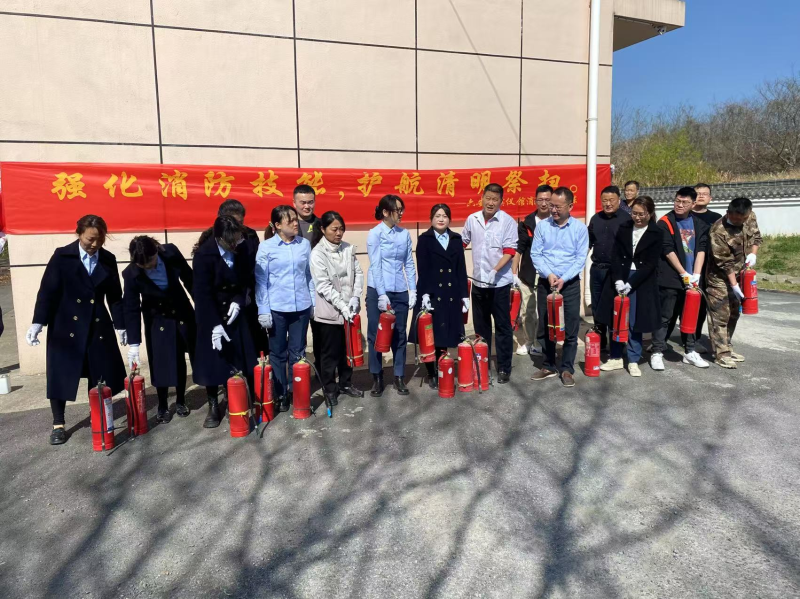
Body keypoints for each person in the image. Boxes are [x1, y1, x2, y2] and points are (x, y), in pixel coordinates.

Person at [26, 215, 127, 445]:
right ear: (79, 233)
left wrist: (121, 325)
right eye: (90, 239)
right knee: (60, 373)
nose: (95, 244)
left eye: (100, 239)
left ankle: (98, 415)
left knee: (98, 371)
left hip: (97, 323)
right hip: (66, 324)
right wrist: (38, 322)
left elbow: (115, 297)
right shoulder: (63, 256)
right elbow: (47, 291)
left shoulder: (108, 259)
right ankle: (58, 424)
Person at [192, 216, 257, 428]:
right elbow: (201, 293)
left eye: (237, 239)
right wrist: (214, 324)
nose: (235, 244)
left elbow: (246, 278)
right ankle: (213, 404)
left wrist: (239, 301)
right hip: (211, 312)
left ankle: (233, 397)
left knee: (237, 357)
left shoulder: (242, 247)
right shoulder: (204, 255)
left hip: (234, 311)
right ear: (220, 238)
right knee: (213, 359)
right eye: (231, 242)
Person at [122, 236, 196, 422]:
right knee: (160, 361)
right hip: (157, 319)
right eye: (143, 265)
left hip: (180, 312)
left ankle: (180, 400)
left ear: (156, 250)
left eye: (151, 261)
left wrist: (203, 307)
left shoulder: (170, 252)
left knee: (179, 358)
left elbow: (189, 279)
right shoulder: (131, 273)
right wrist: (133, 343)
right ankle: (162, 404)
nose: (149, 267)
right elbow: (131, 307)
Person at [255, 205, 315, 412]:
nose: (296, 223)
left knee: (298, 352)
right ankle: (281, 393)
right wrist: (263, 309)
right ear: (278, 225)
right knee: (278, 353)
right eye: (290, 221)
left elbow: (309, 275)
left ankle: (297, 390)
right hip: (277, 308)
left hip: (301, 307)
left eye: (296, 219)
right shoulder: (266, 247)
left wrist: (313, 302)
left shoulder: (304, 245)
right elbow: (261, 280)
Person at [596, 196, 662, 376]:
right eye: (634, 213)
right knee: (616, 318)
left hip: (640, 281)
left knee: (634, 322)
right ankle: (616, 356)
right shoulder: (624, 227)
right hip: (620, 277)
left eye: (642, 214)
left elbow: (650, 264)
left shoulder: (656, 232)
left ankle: (633, 359)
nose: (637, 217)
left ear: (650, 213)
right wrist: (618, 279)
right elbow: (616, 255)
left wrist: (631, 283)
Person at [530, 187, 589, 387]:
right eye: (551, 205)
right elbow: (536, 254)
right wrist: (549, 274)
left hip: (569, 284)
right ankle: (548, 365)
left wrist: (564, 278)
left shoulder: (580, 229)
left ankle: (567, 369)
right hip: (546, 283)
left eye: (558, 206)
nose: (553, 210)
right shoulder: (542, 226)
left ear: (570, 206)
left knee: (571, 327)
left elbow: (580, 258)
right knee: (546, 325)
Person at [462, 183, 518, 384]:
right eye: (488, 198)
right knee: (481, 327)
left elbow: (509, 251)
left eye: (495, 199)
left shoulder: (507, 222)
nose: (491, 203)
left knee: (502, 327)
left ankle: (504, 368)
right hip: (478, 284)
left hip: (499, 284)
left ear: (501, 201)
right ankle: (481, 365)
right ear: (482, 198)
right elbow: (462, 243)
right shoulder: (473, 219)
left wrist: (494, 271)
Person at [410, 204, 469, 389]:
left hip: (451, 293)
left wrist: (464, 295)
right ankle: (431, 372)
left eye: (444, 216)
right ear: (431, 219)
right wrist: (425, 294)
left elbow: (461, 268)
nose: (441, 219)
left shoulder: (456, 239)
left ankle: (443, 367)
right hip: (432, 293)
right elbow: (423, 269)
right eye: (437, 216)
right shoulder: (424, 239)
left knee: (446, 334)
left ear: (449, 219)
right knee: (431, 335)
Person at [651, 187, 710, 371]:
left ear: (693, 204)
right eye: (677, 200)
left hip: (693, 280)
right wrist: (684, 274)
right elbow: (667, 250)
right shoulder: (665, 222)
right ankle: (657, 351)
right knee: (665, 316)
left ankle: (690, 351)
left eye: (685, 202)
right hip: (671, 278)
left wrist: (696, 275)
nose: (680, 205)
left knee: (690, 316)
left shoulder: (700, 224)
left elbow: (701, 249)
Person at [309, 211, 365, 405]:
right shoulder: (317, 253)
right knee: (329, 353)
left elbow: (358, 273)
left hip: (349, 308)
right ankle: (329, 388)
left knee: (347, 349)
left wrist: (355, 297)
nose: (339, 233)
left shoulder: (348, 248)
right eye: (334, 229)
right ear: (323, 229)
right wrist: (342, 306)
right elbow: (323, 286)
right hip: (330, 312)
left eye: (341, 229)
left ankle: (346, 383)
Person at [366, 194, 417, 397]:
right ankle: (377, 377)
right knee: (376, 334)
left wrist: (412, 289)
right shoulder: (375, 234)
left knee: (400, 334)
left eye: (402, 209)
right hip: (378, 290)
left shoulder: (404, 234)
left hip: (399, 289)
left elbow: (408, 263)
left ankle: (398, 376)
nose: (401, 213)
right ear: (386, 212)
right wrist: (381, 294)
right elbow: (375, 265)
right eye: (398, 210)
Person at [705, 197, 762, 369]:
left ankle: (727, 347)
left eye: (742, 219)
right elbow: (725, 262)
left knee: (734, 313)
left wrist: (753, 254)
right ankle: (721, 353)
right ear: (728, 212)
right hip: (719, 277)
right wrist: (734, 285)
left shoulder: (750, 217)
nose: (739, 222)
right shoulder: (718, 231)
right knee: (720, 314)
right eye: (735, 219)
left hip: (741, 274)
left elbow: (756, 237)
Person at [588, 185, 631, 355]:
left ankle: (617, 343)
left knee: (614, 307)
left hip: (616, 272)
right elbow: (588, 242)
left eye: (611, 200)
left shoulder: (626, 219)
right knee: (597, 306)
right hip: (597, 269)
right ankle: (600, 340)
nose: (608, 203)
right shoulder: (595, 219)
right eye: (604, 200)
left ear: (619, 200)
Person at [512, 185, 552, 357]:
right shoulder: (526, 223)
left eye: (547, 200)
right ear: (535, 201)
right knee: (527, 311)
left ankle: (543, 342)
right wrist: (514, 274)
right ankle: (529, 341)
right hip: (528, 274)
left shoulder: (557, 221)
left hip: (549, 275)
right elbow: (519, 249)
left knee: (546, 311)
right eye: (540, 200)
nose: (543, 203)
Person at [692, 183, 723, 352]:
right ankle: (662, 340)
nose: (701, 196)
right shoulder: (685, 215)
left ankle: (694, 338)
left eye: (705, 193)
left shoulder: (716, 218)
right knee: (675, 304)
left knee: (700, 304)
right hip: (685, 264)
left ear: (710, 198)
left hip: (707, 267)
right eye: (698, 193)